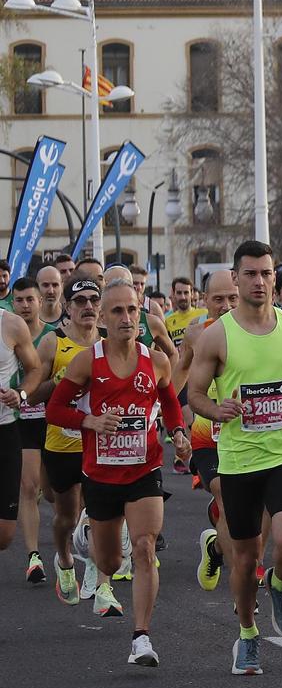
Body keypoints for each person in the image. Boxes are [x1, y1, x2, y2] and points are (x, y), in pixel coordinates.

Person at [183, 241, 282, 673]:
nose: (259, 282)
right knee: (244, 557)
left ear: (275, 276)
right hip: (239, 459)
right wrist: (215, 409)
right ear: (236, 278)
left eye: (266, 273)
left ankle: (278, 584)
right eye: (250, 274)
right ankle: (247, 633)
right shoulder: (217, 335)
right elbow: (195, 393)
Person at [45, 279, 190, 662]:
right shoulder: (86, 361)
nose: (127, 318)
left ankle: (141, 637)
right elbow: (55, 409)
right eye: (118, 311)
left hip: (144, 469)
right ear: (104, 319)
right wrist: (89, 421)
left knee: (144, 547)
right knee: (109, 562)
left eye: (132, 310)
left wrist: (177, 432)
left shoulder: (155, 359)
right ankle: (88, 535)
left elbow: (170, 402)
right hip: (101, 474)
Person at [30, 277, 102, 605]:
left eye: (93, 300)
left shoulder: (108, 343)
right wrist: (59, 384)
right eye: (80, 301)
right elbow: (33, 391)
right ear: (68, 308)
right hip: (62, 443)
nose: (88, 306)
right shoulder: (52, 343)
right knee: (66, 517)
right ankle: (64, 558)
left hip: (98, 443)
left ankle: (97, 573)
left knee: (99, 512)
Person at [176, 272, 238, 594]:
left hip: (248, 432)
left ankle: (215, 549)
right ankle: (246, 577)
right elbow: (179, 375)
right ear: (205, 300)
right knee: (226, 498)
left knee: (248, 509)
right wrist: (180, 416)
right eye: (218, 299)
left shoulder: (260, 330)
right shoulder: (197, 334)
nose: (226, 306)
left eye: (232, 298)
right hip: (207, 433)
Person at [10, 278, 50, 581]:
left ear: (40, 303)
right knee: (27, 486)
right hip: (22, 420)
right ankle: (33, 556)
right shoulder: (8, 335)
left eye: (30, 300)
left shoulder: (52, 337)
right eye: (19, 300)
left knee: (54, 492)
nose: (25, 306)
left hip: (54, 420)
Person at [0, 290, 44, 560]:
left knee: (4, 535)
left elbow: (35, 369)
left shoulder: (11, 324)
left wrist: (21, 394)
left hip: (5, 429)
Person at [164, 277, 203, 347]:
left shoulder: (203, 314)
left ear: (192, 294)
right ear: (173, 294)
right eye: (179, 293)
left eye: (186, 293)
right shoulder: (168, 320)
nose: (183, 297)